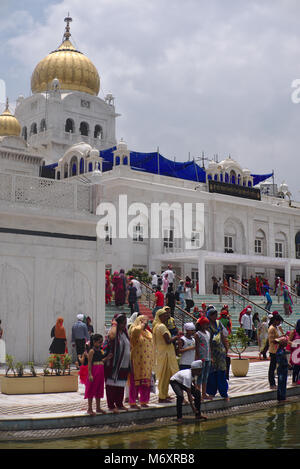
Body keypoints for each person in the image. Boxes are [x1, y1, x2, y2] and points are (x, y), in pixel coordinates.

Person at [104, 314, 131, 413]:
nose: (124, 325)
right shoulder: (113, 332)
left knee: (120, 385)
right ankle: (111, 405)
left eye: (125, 323)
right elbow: (111, 336)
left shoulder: (124, 334)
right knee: (111, 385)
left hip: (123, 364)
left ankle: (119, 403)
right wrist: (114, 324)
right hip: (113, 365)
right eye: (122, 323)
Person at [152, 308, 179, 403]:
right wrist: (176, 337)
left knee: (167, 376)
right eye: (164, 315)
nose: (166, 317)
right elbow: (168, 341)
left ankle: (165, 394)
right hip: (165, 354)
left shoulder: (157, 326)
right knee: (164, 376)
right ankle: (162, 397)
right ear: (159, 317)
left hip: (162, 353)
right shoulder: (161, 327)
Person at [129, 315, 154, 408]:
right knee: (134, 382)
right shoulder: (134, 331)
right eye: (143, 321)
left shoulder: (148, 333)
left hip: (147, 362)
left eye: (146, 321)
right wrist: (141, 324)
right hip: (137, 361)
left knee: (145, 382)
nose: (145, 322)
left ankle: (144, 401)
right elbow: (135, 331)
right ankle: (132, 402)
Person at [85, 334, 112, 415]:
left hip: (100, 371)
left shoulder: (100, 351)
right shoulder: (91, 351)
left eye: (101, 342)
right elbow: (89, 363)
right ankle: (89, 408)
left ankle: (98, 407)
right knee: (91, 389)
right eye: (99, 342)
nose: (101, 344)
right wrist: (90, 374)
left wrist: (107, 358)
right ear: (94, 342)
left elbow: (101, 360)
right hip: (94, 370)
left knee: (99, 389)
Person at [206, 308, 229, 400]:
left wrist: (226, 347)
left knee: (221, 371)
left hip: (220, 351)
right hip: (211, 351)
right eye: (213, 315)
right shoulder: (207, 325)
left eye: (216, 315)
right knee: (212, 372)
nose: (215, 316)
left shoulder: (218, 323)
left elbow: (223, 335)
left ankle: (223, 392)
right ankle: (211, 392)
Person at [195, 317, 212, 400]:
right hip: (201, 357)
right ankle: (198, 394)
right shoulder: (197, 334)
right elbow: (197, 347)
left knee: (206, 376)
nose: (206, 325)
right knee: (200, 377)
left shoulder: (208, 333)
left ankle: (204, 394)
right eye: (204, 324)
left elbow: (209, 345)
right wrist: (198, 357)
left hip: (208, 357)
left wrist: (211, 356)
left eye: (207, 324)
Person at [268, 314, 284, 389]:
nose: (279, 323)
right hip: (273, 350)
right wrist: (280, 340)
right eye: (279, 322)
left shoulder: (275, 328)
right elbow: (272, 340)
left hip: (276, 349)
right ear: (275, 321)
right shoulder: (272, 328)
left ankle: (273, 383)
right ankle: (272, 383)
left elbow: (276, 337)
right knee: (272, 367)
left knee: (274, 366)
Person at [275, 336, 289, 402]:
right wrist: (286, 364)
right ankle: (281, 398)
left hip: (282, 369)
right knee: (282, 384)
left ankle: (282, 397)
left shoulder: (281, 350)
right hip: (282, 369)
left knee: (282, 383)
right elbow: (280, 361)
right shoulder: (281, 352)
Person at [288, 319, 300, 386]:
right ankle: (294, 381)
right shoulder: (294, 332)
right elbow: (288, 341)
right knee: (296, 368)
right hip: (296, 353)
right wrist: (295, 343)